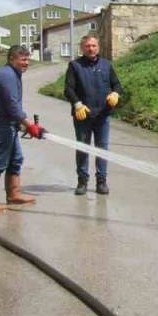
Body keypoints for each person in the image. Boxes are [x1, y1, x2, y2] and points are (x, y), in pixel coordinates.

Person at [0, 45, 45, 212]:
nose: (27, 63)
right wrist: (29, 125)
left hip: (8, 124)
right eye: (23, 59)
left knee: (16, 159)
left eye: (28, 59)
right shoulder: (7, 76)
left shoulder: (12, 73)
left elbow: (13, 108)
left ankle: (13, 195)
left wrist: (21, 124)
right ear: (11, 59)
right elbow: (12, 106)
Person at [64, 34, 121, 196]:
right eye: (87, 46)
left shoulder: (107, 65)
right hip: (83, 116)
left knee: (102, 149)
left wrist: (116, 93)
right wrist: (77, 104)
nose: (91, 48)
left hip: (102, 115)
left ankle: (101, 182)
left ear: (98, 47)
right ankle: (82, 181)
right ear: (82, 48)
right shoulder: (75, 66)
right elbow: (68, 89)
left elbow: (116, 84)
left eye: (94, 45)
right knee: (82, 148)